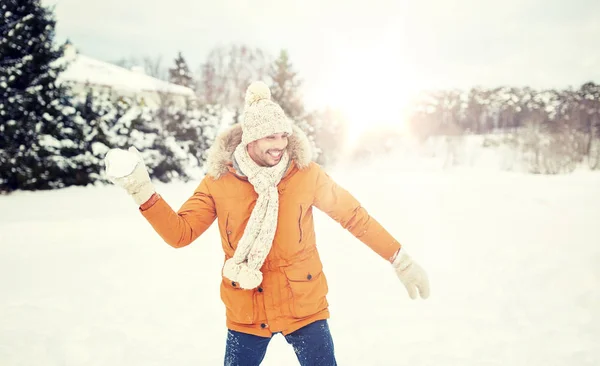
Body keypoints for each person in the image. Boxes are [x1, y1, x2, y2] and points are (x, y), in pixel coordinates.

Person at [104, 81, 430, 366]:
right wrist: (142, 191)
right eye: (270, 137)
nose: (279, 144)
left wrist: (400, 259)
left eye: (283, 135)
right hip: (247, 308)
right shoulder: (219, 181)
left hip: (304, 306)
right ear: (250, 139)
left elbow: (355, 217)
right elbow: (180, 233)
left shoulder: (305, 175)